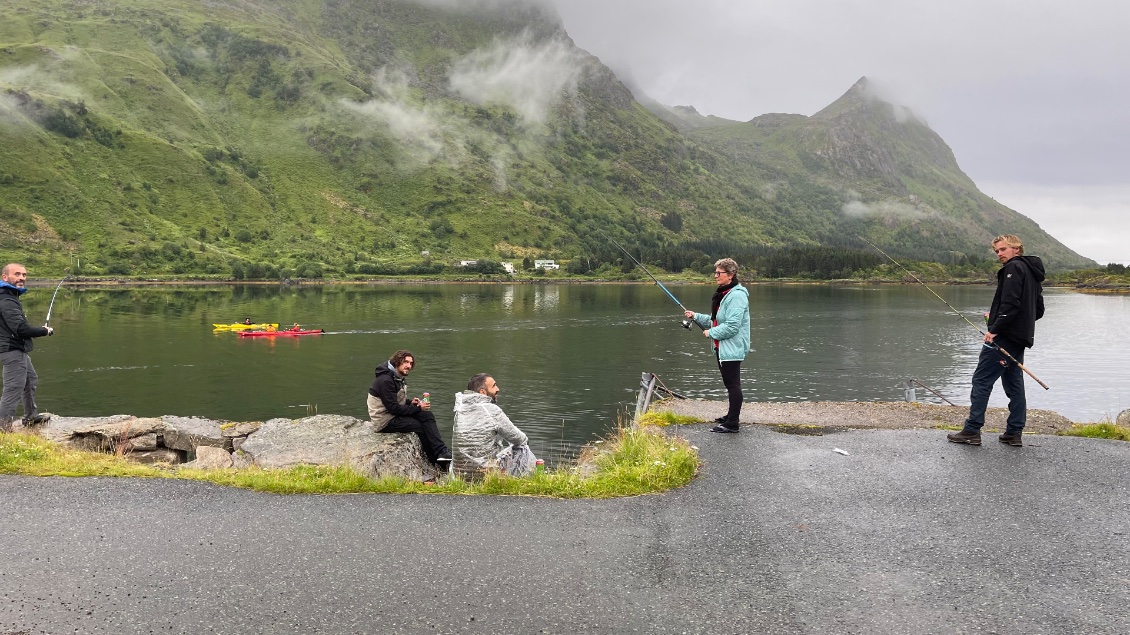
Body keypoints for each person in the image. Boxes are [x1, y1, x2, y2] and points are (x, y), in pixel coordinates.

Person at [948, 234, 1045, 447]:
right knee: (1014, 383)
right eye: (997, 251)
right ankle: (1013, 433)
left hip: (1005, 337)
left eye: (1002, 249)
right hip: (1020, 338)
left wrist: (995, 328)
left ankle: (972, 430)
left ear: (1016, 248)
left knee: (981, 380)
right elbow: (1038, 310)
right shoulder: (1033, 272)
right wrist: (1013, 322)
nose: (999, 254)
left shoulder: (1013, 269)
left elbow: (1010, 304)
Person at [684, 258, 751, 433]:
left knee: (733, 385)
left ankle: (732, 424)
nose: (715, 276)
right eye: (715, 272)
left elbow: (732, 326)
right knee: (730, 384)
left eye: (719, 273)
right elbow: (717, 320)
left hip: (732, 347)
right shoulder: (726, 293)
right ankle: (730, 416)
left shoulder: (736, 296)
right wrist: (696, 316)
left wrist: (711, 333)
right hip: (723, 348)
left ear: (730, 275)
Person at [367, 349, 453, 470]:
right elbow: (393, 408)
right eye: (405, 362)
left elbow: (394, 400)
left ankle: (442, 452)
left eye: (411, 363)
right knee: (419, 427)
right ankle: (436, 462)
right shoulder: (385, 380)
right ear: (397, 362)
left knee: (427, 415)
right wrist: (416, 408)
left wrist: (410, 402)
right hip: (384, 421)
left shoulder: (397, 377)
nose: (409, 366)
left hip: (392, 414)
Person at [1, 263, 54, 432]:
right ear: (5, 277)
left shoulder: (9, 296)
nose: (22, 278)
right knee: (13, 389)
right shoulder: (7, 300)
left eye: (24, 275)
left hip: (15, 348)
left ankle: (30, 416)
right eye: (17, 274)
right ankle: (3, 429)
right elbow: (21, 329)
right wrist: (44, 331)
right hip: (11, 350)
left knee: (30, 379)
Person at [452, 373, 536, 478]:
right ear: (482, 392)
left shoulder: (460, 410)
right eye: (494, 386)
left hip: (460, 475)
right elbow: (518, 439)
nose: (498, 389)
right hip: (483, 475)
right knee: (522, 447)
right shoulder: (491, 410)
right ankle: (522, 481)